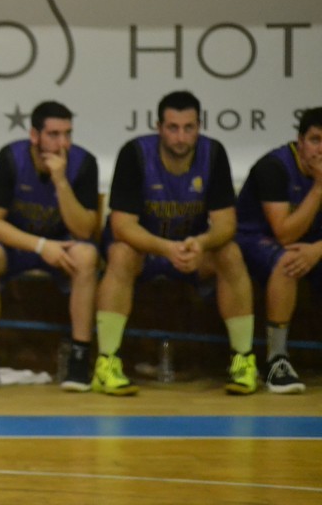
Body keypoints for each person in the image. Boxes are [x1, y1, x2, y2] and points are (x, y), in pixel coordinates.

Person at [95, 90, 255, 396]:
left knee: (230, 253)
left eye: (188, 127)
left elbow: (226, 224)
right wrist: (166, 248)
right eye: (173, 128)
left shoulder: (213, 153)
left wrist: (202, 243)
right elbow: (122, 226)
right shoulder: (135, 153)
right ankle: (106, 361)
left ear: (199, 127)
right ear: (159, 127)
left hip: (190, 249)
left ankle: (243, 359)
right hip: (145, 249)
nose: (181, 137)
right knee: (121, 254)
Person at [0, 100, 99, 392]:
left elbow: (85, 229)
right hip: (18, 245)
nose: (62, 143)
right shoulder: (11, 158)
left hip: (64, 247)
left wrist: (61, 182)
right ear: (34, 135)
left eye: (67, 134)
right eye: (54, 134)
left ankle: (79, 360)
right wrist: (40, 245)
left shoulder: (83, 163)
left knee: (87, 256)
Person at [234, 106, 322, 394]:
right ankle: (277, 360)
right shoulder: (273, 167)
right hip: (254, 238)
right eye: (316, 140)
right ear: (300, 141)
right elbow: (284, 233)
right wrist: (319, 189)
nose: (321, 150)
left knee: (301, 255)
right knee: (288, 261)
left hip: (311, 242)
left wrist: (317, 250)